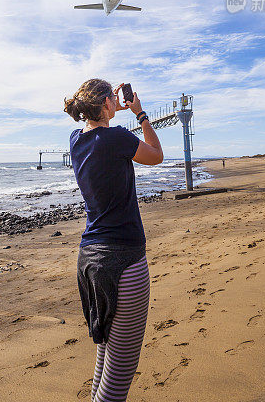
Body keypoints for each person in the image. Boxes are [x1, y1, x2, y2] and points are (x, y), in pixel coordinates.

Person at [65, 78, 163, 402]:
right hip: (124, 263)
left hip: (89, 262)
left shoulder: (75, 141)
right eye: (112, 98)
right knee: (116, 383)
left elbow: (98, 133)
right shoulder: (117, 138)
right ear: (108, 102)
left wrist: (108, 109)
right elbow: (156, 154)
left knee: (102, 366)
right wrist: (140, 113)